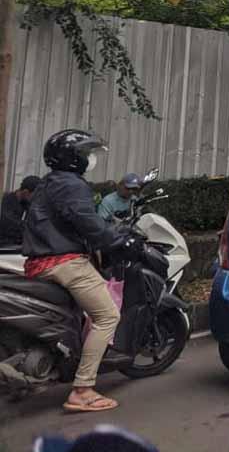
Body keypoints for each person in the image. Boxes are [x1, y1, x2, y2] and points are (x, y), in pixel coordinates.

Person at [22, 130, 124, 413]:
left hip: (40, 261)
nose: (89, 159)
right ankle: (83, 389)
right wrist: (118, 240)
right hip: (63, 262)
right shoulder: (72, 185)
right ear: (72, 158)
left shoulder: (49, 182)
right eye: (84, 153)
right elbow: (89, 224)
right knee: (107, 316)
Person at [0, 175, 40, 246]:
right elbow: (11, 226)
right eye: (34, 195)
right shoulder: (7, 202)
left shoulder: (27, 204)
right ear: (26, 192)